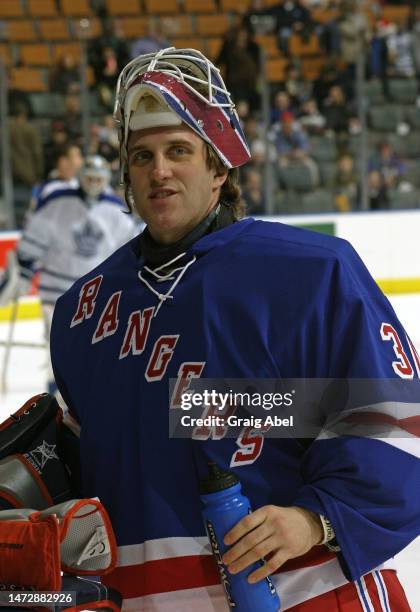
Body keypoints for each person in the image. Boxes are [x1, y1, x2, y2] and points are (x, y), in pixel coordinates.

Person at [49, 48, 419, 611]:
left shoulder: (310, 271)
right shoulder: (83, 313)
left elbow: (396, 417)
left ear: (220, 166)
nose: (159, 170)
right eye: (142, 155)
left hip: (306, 593)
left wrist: (317, 519)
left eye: (179, 151)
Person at [0, 156, 138, 393]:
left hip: (98, 296)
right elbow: (32, 245)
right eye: (89, 177)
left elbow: (131, 253)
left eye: (98, 178)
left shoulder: (118, 212)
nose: (93, 182)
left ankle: (81, 395)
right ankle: (58, 393)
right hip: (56, 293)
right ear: (80, 176)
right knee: (59, 345)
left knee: (92, 347)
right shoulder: (57, 203)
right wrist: (22, 272)